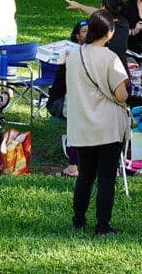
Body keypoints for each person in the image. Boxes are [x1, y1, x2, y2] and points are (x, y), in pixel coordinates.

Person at [65, 11, 130, 236]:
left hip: (83, 123)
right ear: (109, 32)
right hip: (108, 126)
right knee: (106, 179)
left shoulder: (73, 55)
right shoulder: (110, 58)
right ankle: (103, 226)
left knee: (85, 176)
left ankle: (78, 220)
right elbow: (121, 94)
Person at [50, 19, 90, 177]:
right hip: (61, 102)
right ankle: (74, 163)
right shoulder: (69, 55)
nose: (88, 34)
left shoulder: (94, 53)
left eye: (90, 30)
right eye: (84, 31)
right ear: (77, 36)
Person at [63, 0, 130, 62]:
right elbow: (98, 12)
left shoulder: (102, 26)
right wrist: (79, 6)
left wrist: (73, 54)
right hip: (122, 65)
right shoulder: (123, 21)